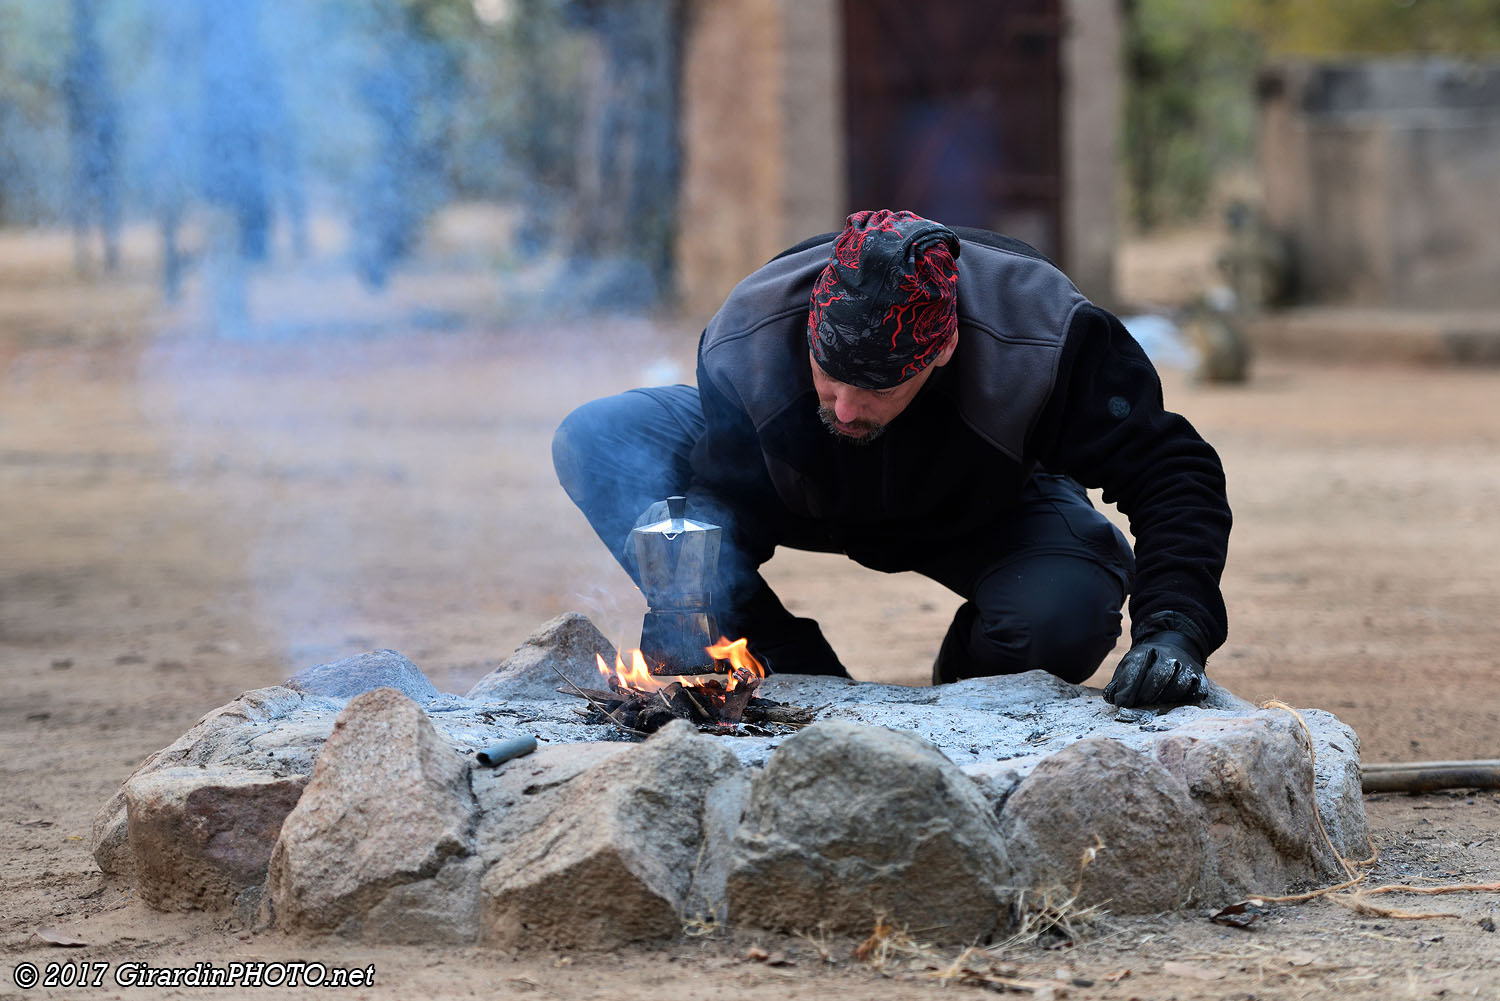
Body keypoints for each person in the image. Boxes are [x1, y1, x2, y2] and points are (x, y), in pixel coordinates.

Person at [553, 209, 1231, 708]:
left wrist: (1173, 627)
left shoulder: (1047, 339)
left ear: (941, 350)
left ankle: (968, 692)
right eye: (829, 374)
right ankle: (791, 668)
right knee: (598, 437)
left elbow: (1174, 467)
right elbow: (723, 495)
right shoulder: (753, 334)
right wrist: (690, 595)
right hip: (799, 483)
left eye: (876, 385)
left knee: (1065, 613)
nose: (845, 407)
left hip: (984, 496)